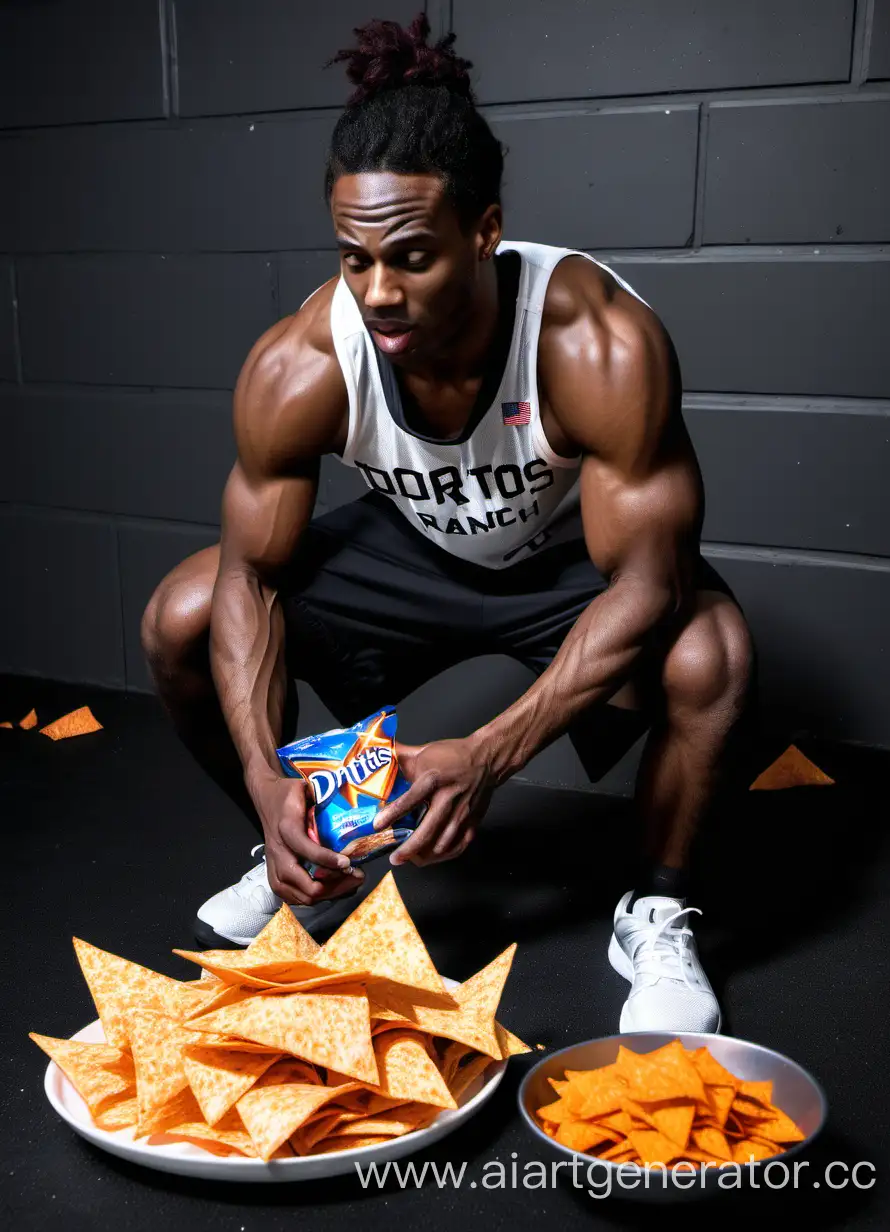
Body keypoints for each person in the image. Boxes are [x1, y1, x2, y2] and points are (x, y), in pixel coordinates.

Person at [141, 13, 759, 1033]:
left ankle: (653, 907)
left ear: (483, 230)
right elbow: (250, 578)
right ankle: (295, 853)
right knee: (184, 611)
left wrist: (490, 752)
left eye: (413, 257)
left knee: (712, 651)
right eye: (354, 259)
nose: (379, 291)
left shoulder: (594, 343)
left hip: (567, 565)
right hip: (415, 554)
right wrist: (263, 776)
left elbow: (649, 581)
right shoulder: (301, 363)